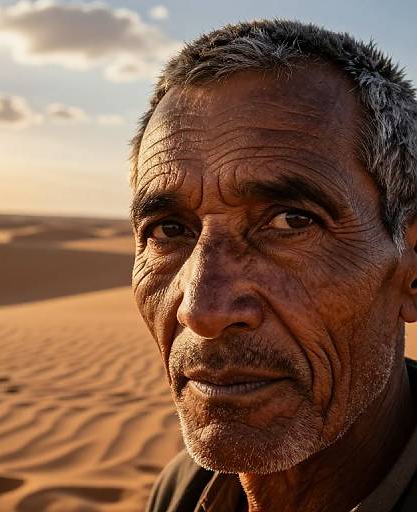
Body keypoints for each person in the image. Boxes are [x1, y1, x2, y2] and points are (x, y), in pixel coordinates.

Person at [129, 19, 417, 512]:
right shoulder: (184, 490)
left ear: (409, 268)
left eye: (289, 221)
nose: (202, 310)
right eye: (169, 230)